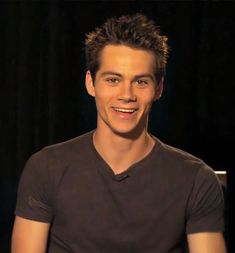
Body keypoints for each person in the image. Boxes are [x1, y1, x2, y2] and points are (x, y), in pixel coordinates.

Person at [11, 14, 227, 253]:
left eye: (141, 82)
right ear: (91, 84)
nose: (127, 95)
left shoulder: (196, 179)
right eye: (113, 80)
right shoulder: (46, 169)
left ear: (159, 88)